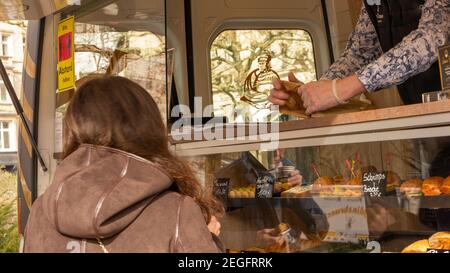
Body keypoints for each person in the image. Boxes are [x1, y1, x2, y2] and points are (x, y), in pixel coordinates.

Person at [23, 76, 224, 253]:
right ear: (148, 130)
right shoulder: (177, 211)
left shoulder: (40, 211)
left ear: (72, 131)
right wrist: (208, 237)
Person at [270, 0, 450, 114]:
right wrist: (311, 94)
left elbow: (432, 38)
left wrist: (340, 90)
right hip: (425, 116)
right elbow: (360, 53)